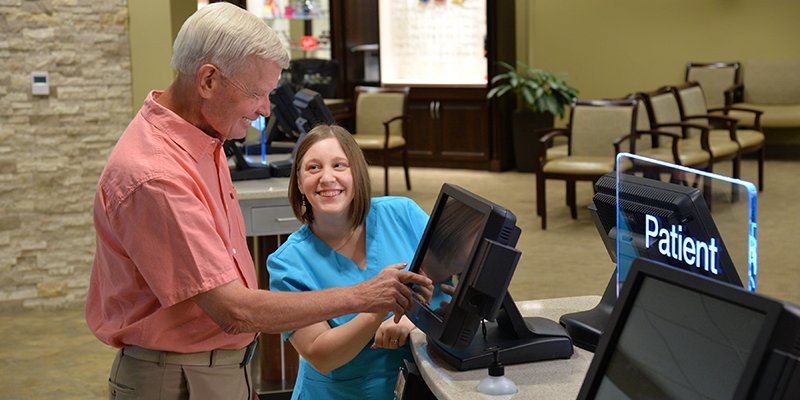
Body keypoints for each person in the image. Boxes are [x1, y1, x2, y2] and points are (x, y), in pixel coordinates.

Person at [84, 4, 431, 400]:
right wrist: (365, 296)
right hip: (177, 377)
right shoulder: (157, 175)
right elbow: (235, 311)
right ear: (209, 80)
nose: (266, 109)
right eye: (257, 93)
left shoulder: (204, 133)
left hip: (219, 368)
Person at [267, 125, 432, 399]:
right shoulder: (287, 264)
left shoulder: (404, 214)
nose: (327, 178)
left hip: (421, 386)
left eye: (339, 165)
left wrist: (413, 324)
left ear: (357, 173)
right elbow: (321, 355)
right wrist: (378, 307)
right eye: (313, 168)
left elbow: (452, 289)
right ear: (298, 182)